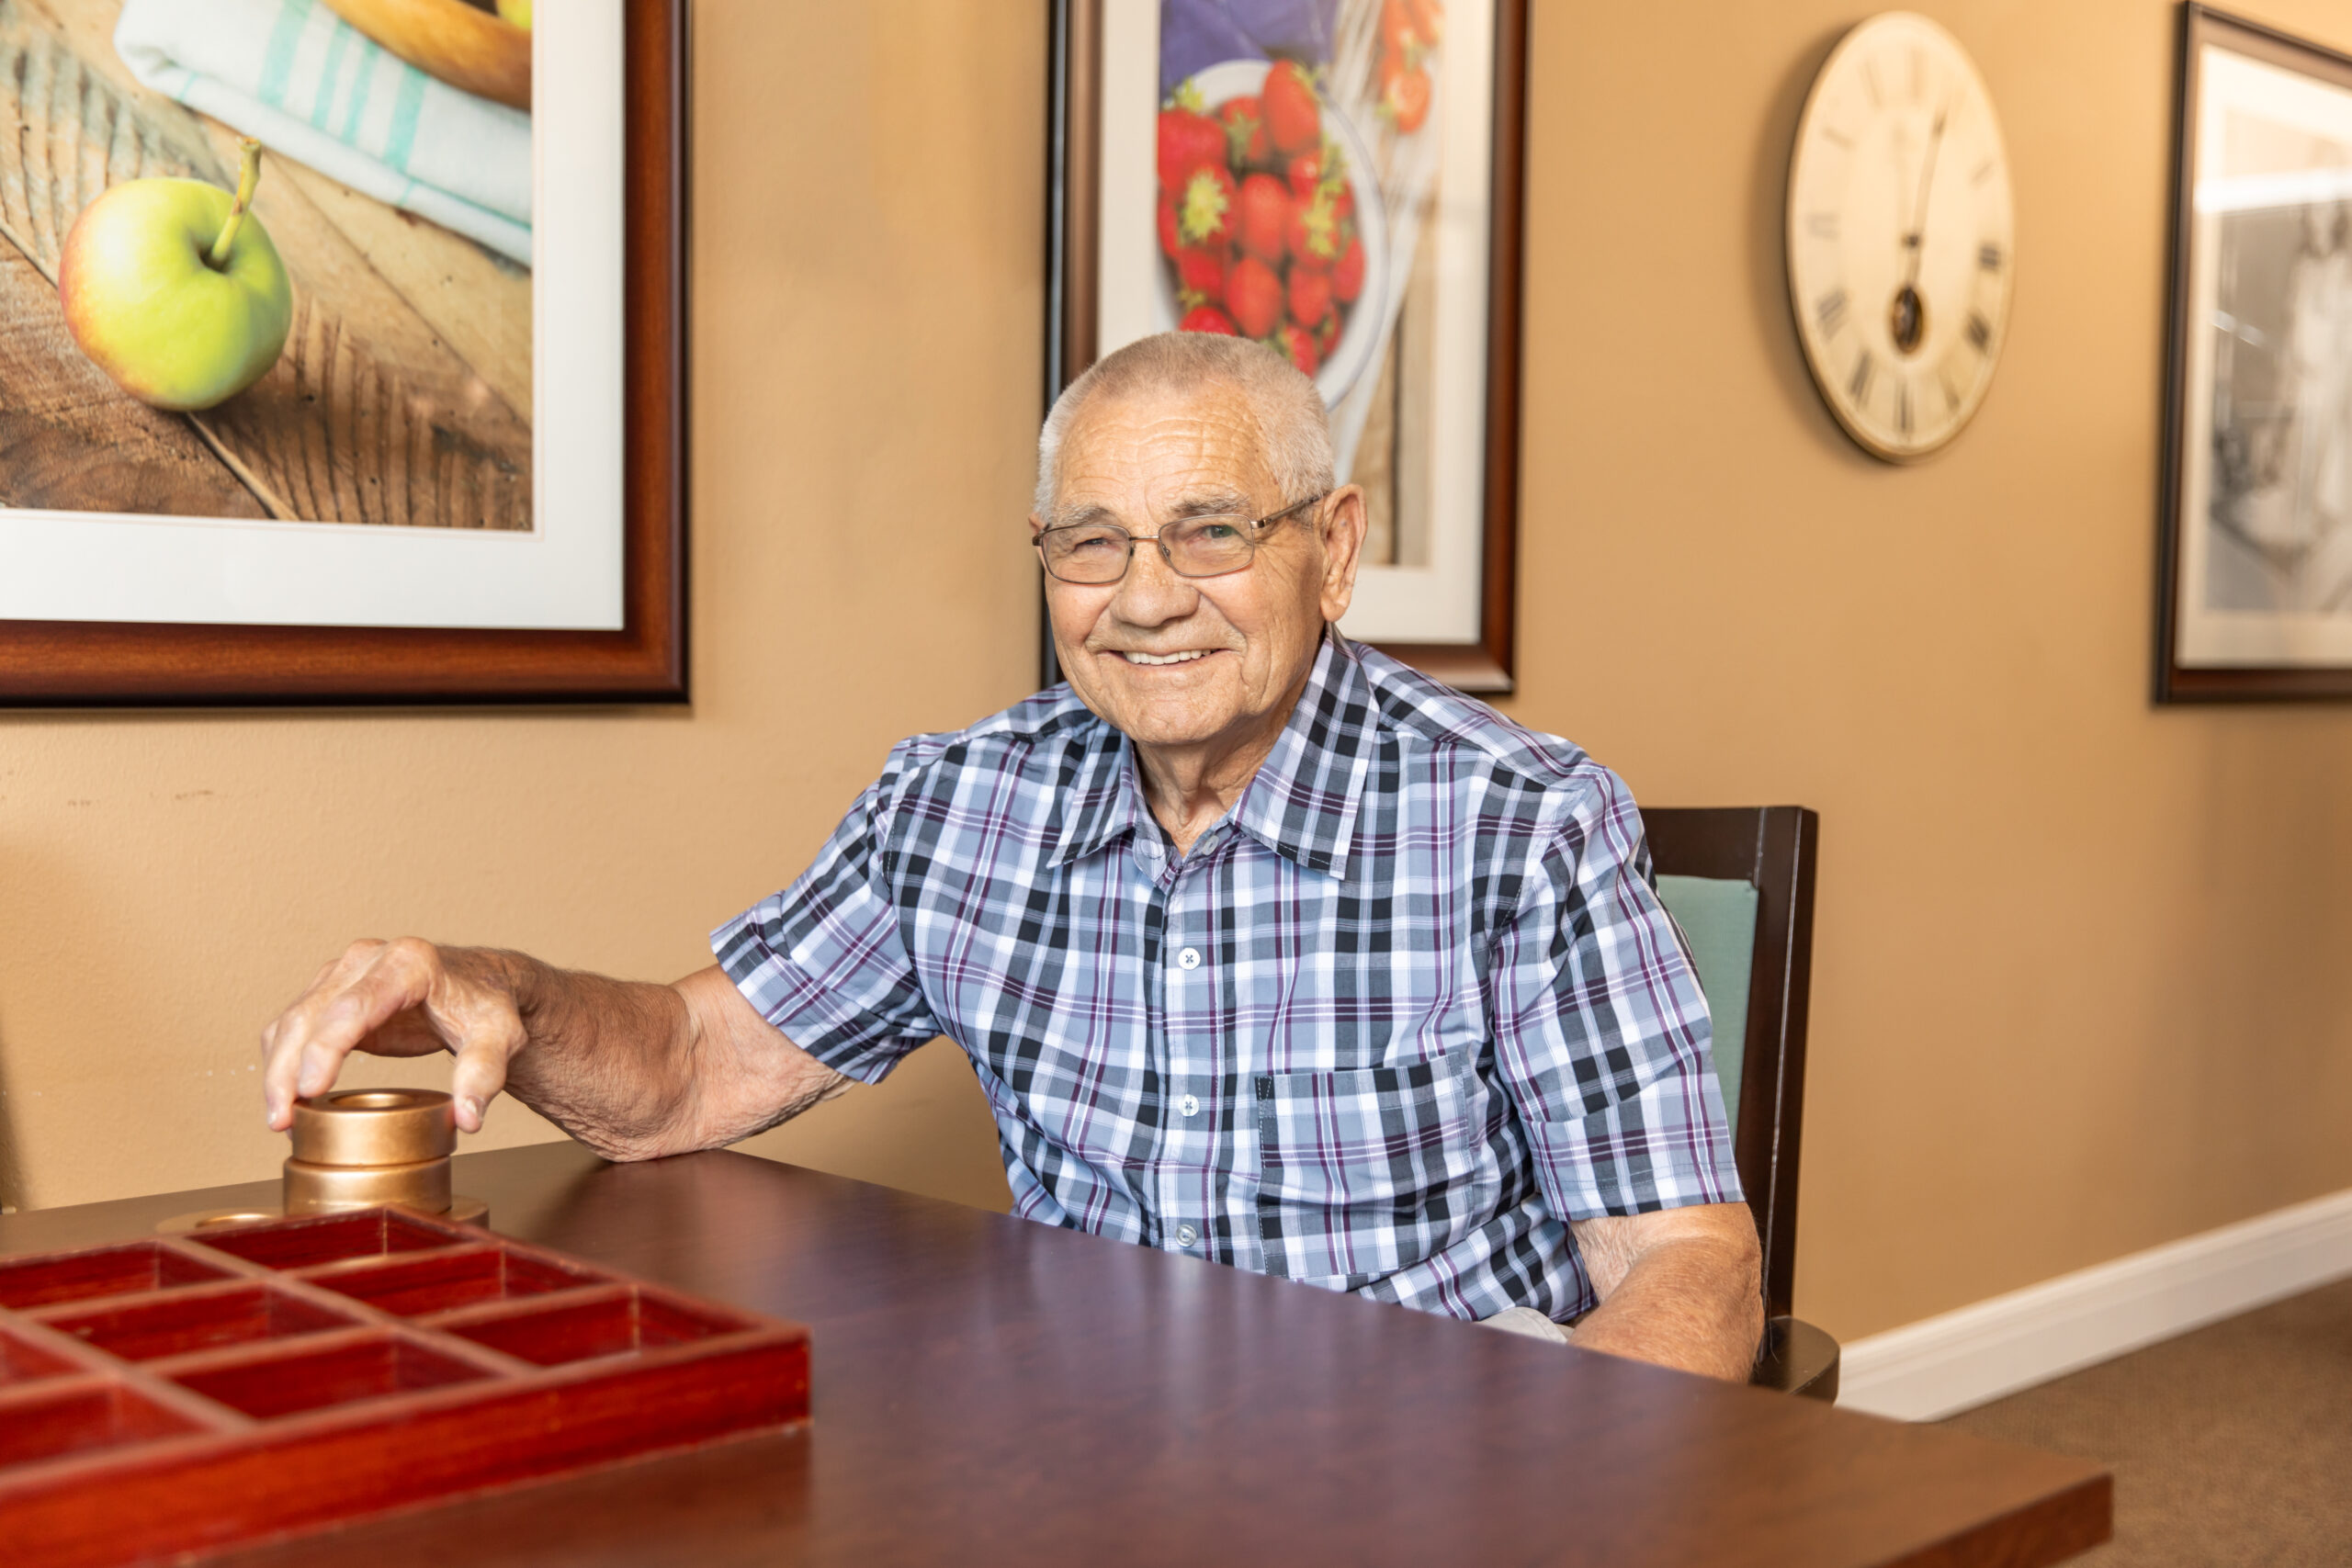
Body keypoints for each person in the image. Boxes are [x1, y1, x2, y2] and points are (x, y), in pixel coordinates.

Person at [259, 333, 1761, 1380]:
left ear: (1338, 547)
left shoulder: (1523, 821)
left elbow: (1688, 1266)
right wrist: (501, 993)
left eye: (1213, 531)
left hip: (1427, 1466)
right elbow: (687, 1067)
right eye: (1091, 543)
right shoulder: (963, 804)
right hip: (1080, 1451)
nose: (1149, 597)